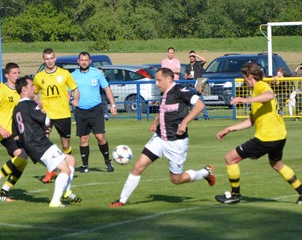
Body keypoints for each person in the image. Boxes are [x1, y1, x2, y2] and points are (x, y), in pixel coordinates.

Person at [109, 68, 216, 208]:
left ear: (169, 79)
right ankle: (121, 201)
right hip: (159, 139)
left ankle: (204, 173)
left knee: (176, 180)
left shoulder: (180, 90)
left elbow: (200, 105)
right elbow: (163, 109)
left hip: (176, 142)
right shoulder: (164, 94)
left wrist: (184, 122)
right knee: (138, 166)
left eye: (158, 80)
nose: (156, 83)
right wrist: (154, 122)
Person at [215, 62, 302, 204]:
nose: (244, 81)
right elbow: (251, 121)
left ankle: (235, 195)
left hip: (266, 138)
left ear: (250, 76)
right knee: (277, 164)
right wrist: (229, 129)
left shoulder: (260, 86)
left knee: (230, 158)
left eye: (244, 78)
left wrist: (246, 99)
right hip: (279, 136)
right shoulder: (255, 92)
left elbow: (269, 96)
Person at [12, 76, 81, 207]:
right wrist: (42, 109)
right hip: (40, 144)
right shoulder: (31, 104)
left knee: (71, 160)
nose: (34, 89)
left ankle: (66, 191)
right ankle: (55, 201)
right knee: (65, 170)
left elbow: (16, 135)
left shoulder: (16, 109)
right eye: (32, 86)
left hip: (33, 146)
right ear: (24, 89)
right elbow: (47, 121)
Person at [33, 48, 79, 183]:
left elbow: (75, 89)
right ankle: (51, 171)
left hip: (63, 113)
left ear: (55, 58)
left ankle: (67, 167)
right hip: (46, 114)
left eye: (51, 58)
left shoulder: (64, 74)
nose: (49, 61)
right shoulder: (39, 77)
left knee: (65, 145)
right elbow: (33, 92)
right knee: (43, 142)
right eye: (47, 59)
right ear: (43, 60)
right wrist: (37, 102)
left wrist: (75, 99)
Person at [0, 62, 28, 202]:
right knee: (21, 156)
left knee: (23, 161)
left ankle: (3, 193)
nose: (17, 75)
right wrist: (1, 129)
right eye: (14, 73)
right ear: (7, 75)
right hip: (6, 133)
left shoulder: (19, 91)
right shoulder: (1, 91)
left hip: (18, 133)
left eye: (18, 73)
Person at [71, 52, 117, 173]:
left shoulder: (96, 73)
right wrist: (71, 101)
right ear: (78, 61)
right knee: (83, 139)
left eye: (86, 60)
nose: (84, 62)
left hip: (96, 110)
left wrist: (113, 105)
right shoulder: (73, 75)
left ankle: (107, 162)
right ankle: (85, 166)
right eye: (82, 60)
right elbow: (67, 92)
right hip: (81, 111)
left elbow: (107, 88)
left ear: (90, 61)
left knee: (100, 137)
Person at [184, 50, 209, 120]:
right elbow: (185, 77)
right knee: (192, 102)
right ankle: (195, 117)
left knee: (201, 101)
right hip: (190, 84)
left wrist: (196, 55)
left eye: (193, 56)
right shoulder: (187, 66)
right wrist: (187, 76)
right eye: (190, 56)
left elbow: (205, 60)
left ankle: (206, 117)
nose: (191, 58)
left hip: (198, 84)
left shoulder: (199, 64)